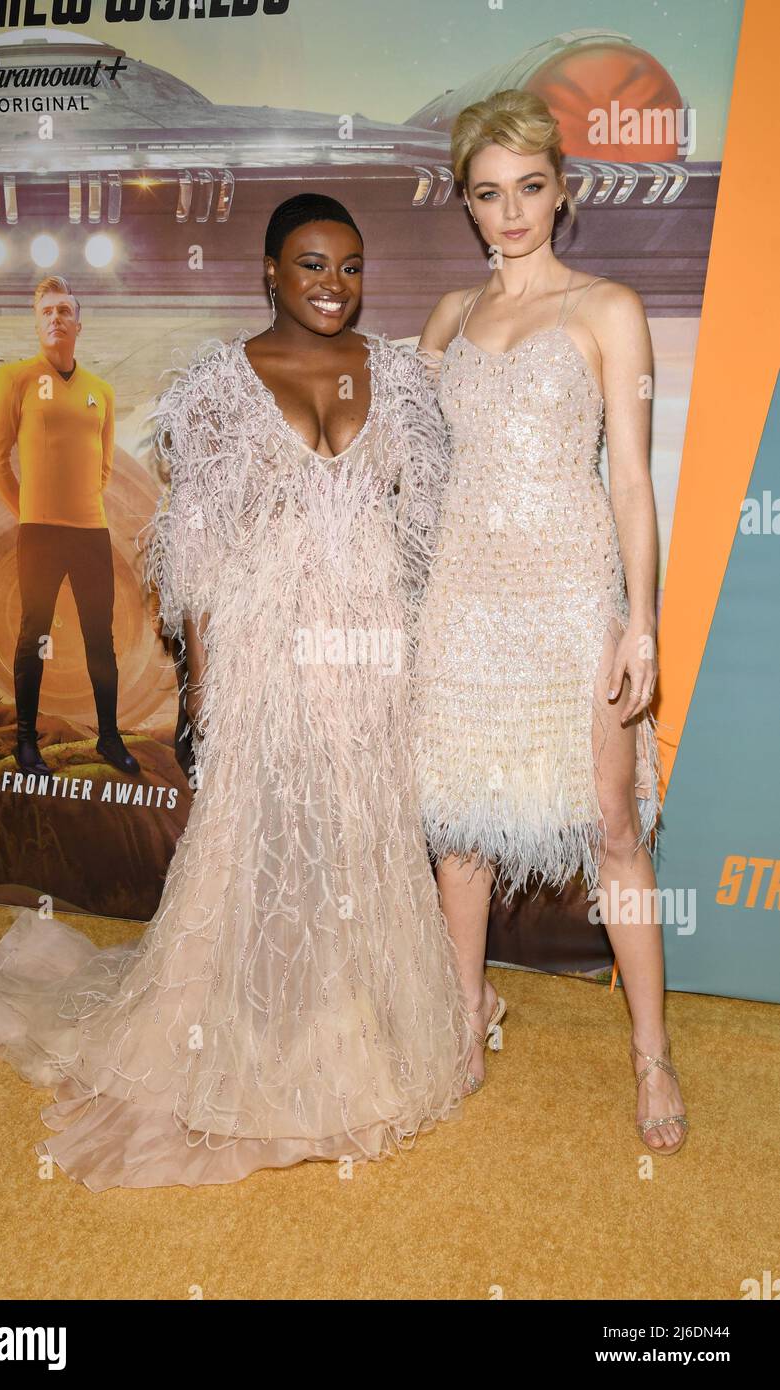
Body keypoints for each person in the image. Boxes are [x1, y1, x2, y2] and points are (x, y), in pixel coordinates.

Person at [0, 194, 474, 1190]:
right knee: (258, 840)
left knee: (360, 831)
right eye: (312, 265)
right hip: (270, 654)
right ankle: (248, 1027)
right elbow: (199, 559)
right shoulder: (219, 390)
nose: (333, 286)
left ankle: (345, 1020)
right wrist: (207, 693)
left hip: (366, 649)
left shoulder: (400, 380)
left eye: (351, 268)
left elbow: (424, 538)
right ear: (269, 270)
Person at [412, 90, 688, 1153]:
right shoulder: (446, 318)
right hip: (464, 603)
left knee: (615, 831)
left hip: (573, 600)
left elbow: (629, 483)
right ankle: (461, 1019)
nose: (510, 211)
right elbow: (415, 477)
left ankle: (651, 1051)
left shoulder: (607, 309)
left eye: (529, 187)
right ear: (468, 204)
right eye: (487, 194)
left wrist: (642, 623)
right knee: (461, 838)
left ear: (561, 189)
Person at [0, 275, 139, 776]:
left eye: (63, 311)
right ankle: (25, 743)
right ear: (37, 323)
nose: (55, 319)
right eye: (47, 311)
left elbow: (106, 465)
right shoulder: (16, 379)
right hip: (41, 533)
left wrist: (83, 505)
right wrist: (28, 514)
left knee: (100, 639)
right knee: (32, 636)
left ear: (78, 324)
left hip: (91, 533)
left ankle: (109, 739)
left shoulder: (101, 390)